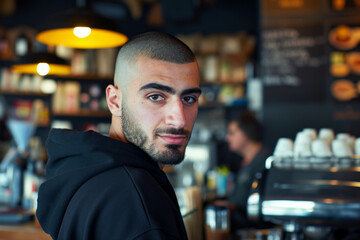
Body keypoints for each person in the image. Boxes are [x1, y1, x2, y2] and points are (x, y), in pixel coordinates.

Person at [36, 32, 202, 240]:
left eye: (188, 98)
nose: (179, 120)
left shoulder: (90, 172)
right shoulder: (138, 203)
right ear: (114, 101)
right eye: (156, 97)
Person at [220, 111, 272, 230]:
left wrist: (231, 206)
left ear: (245, 134)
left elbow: (261, 205)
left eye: (232, 133)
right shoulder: (248, 161)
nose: (228, 138)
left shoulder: (265, 162)